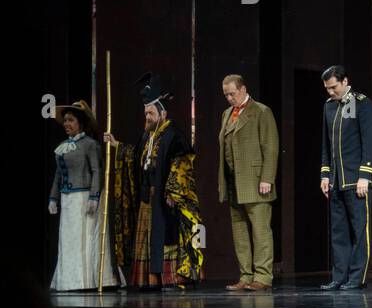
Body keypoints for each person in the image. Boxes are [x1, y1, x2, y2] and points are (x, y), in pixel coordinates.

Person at [103, 73, 204, 290]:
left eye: (150, 112)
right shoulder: (147, 136)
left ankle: (173, 278)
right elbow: (135, 155)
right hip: (148, 199)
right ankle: (149, 280)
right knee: (148, 239)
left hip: (166, 199)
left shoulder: (174, 135)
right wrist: (117, 145)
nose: (146, 117)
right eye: (145, 112)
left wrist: (173, 192)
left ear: (162, 113)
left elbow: (183, 162)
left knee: (167, 236)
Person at [318, 65, 372, 290]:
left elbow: (370, 142)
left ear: (344, 82)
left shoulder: (361, 103)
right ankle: (339, 277)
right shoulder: (329, 106)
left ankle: (356, 278)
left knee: (359, 231)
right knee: (339, 231)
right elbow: (326, 144)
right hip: (336, 180)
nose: (330, 92)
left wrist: (365, 174)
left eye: (333, 87)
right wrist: (325, 174)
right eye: (327, 88)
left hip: (357, 180)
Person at [217, 75, 279, 292]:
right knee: (240, 231)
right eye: (226, 94)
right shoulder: (226, 114)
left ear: (243, 89)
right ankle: (245, 275)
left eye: (232, 93)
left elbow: (270, 147)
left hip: (255, 181)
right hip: (234, 182)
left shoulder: (261, 111)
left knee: (260, 231)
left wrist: (267, 178)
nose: (229, 98)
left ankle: (263, 277)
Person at [48, 100, 111, 291]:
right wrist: (53, 198)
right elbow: (58, 174)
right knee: (68, 241)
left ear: (80, 123)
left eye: (71, 120)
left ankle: (84, 281)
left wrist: (94, 197)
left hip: (84, 199)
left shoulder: (90, 145)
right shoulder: (62, 147)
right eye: (65, 120)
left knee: (83, 239)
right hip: (68, 200)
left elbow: (97, 171)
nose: (66, 124)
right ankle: (68, 281)